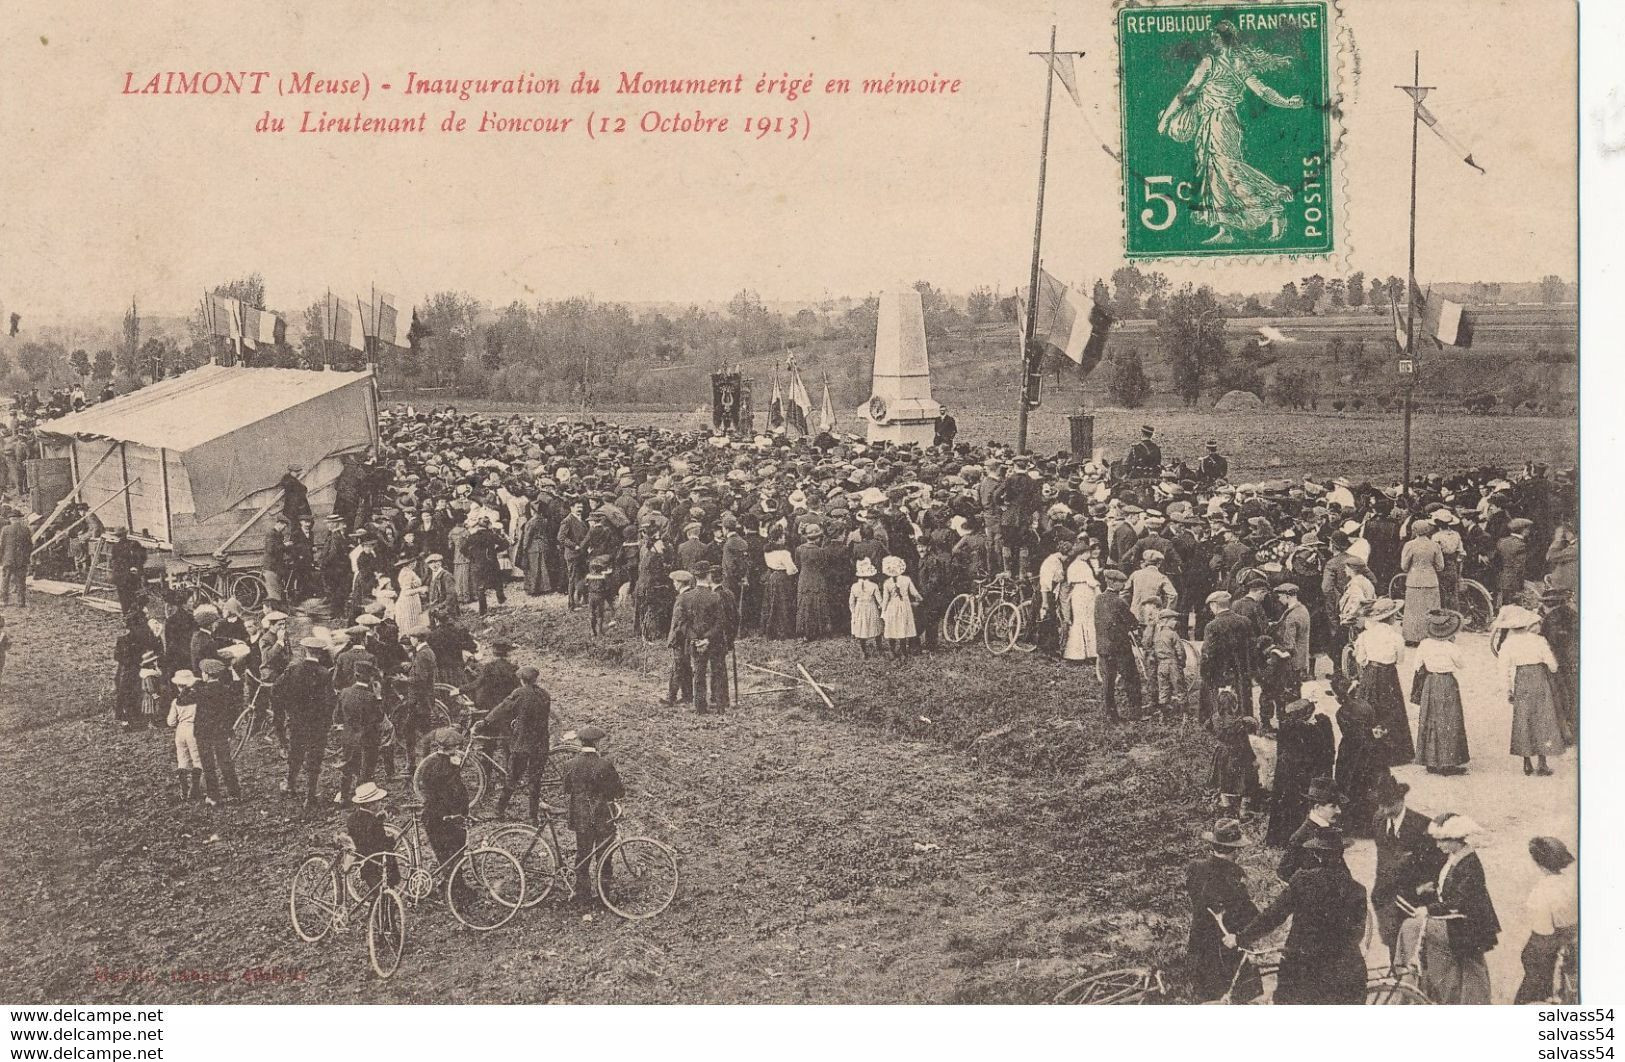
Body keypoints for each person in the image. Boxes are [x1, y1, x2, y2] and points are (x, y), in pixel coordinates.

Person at [1228, 828, 1369, 1004]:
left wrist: (1241, 938)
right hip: (1346, 974)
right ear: (1341, 853)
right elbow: (1357, 933)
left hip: (1303, 971)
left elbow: (1273, 916)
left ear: (1317, 855)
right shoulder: (1357, 889)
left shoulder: (1302, 881)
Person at [1410, 812, 1500, 1004]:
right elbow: (1450, 887)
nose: (1438, 845)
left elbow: (1460, 901)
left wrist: (1429, 909)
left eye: (1443, 841)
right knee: (1468, 968)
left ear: (1457, 840)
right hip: (1462, 921)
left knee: (1471, 969)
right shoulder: (1457, 856)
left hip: (1470, 925)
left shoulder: (1469, 864)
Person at [1185, 819, 1262, 1002]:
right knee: (1234, 996)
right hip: (1225, 950)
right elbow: (1249, 915)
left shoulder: (1195, 867)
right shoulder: (1234, 877)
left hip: (1199, 945)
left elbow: (1195, 896)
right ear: (1235, 850)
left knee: (1205, 995)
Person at [1370, 774, 1442, 961]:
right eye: (1380, 805)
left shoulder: (1422, 825)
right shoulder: (1378, 820)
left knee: (1416, 947)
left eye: (1388, 805)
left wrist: (1423, 887)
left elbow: (1437, 863)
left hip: (1414, 898)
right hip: (1386, 896)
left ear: (1401, 801)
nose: (1383, 810)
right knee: (1393, 943)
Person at [1494, 604, 1566, 776]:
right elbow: (1553, 666)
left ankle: (1526, 762)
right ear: (1526, 624)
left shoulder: (1508, 644)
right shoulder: (1538, 640)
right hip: (1540, 679)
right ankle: (1542, 763)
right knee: (1542, 718)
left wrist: (1508, 690)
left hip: (1522, 680)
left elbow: (1503, 669)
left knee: (1523, 718)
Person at [560, 725, 626, 904]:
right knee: (604, 855)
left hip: (580, 816)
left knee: (582, 853)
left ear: (581, 742)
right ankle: (605, 895)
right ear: (597, 742)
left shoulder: (570, 764)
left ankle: (582, 894)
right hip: (602, 816)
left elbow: (566, 789)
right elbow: (619, 792)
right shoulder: (604, 764)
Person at [479, 666, 552, 824]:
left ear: (521, 680)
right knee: (535, 781)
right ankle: (533, 817)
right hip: (541, 744)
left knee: (512, 778)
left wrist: (485, 721)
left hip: (523, 744)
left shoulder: (520, 692)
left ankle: (499, 811)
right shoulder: (544, 694)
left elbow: (504, 707)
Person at [1514, 837, 1578, 1004]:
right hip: (1572, 944)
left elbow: (1544, 933)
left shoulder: (1542, 891)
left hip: (1548, 951)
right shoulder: (1572, 883)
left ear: (1538, 863)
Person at [1265, 696, 1334, 847]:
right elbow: (1321, 754)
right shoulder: (1310, 729)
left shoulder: (1289, 726)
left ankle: (1285, 839)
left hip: (1288, 773)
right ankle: (1295, 838)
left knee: (1288, 804)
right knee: (1295, 805)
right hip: (1296, 773)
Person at [277, 637, 336, 809]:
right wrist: (326, 720)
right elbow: (331, 700)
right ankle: (310, 796)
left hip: (297, 721)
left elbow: (277, 690)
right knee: (314, 757)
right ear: (320, 653)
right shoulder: (325, 673)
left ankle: (291, 785)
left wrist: (289, 708)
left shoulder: (293, 670)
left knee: (296, 753)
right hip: (317, 724)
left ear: (305, 651)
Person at [1410, 609, 1469, 775]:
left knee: (1430, 718)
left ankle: (1430, 759)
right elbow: (1461, 664)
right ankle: (1447, 761)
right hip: (1447, 681)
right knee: (1448, 720)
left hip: (1430, 681)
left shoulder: (1424, 644)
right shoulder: (1451, 647)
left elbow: (1417, 665)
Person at [673, 563, 729, 713]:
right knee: (717, 671)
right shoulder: (715, 597)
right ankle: (719, 706)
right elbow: (721, 622)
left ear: (695, 577)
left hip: (695, 642)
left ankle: (700, 707)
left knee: (698, 673)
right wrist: (707, 638)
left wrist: (695, 639)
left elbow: (682, 624)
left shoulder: (685, 598)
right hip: (713, 641)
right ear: (709, 576)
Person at [419, 727, 472, 871]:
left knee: (450, 856)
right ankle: (453, 887)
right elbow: (451, 793)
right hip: (443, 817)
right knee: (453, 856)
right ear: (453, 747)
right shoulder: (445, 766)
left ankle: (451, 883)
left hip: (441, 816)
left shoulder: (433, 763)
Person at [1093, 569, 1141, 723]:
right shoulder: (1119, 601)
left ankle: (1110, 713)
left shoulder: (1099, 599)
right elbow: (1132, 621)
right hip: (1120, 647)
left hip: (1103, 646)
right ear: (1112, 582)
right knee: (1131, 678)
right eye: (1121, 582)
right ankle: (1135, 712)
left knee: (1108, 680)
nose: (1123, 585)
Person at [1199, 590, 1253, 724]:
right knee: (1242, 704)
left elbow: (1208, 653)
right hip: (1241, 672)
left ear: (1214, 605)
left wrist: (1205, 673)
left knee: (1218, 707)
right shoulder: (1245, 621)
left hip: (1219, 674)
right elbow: (1251, 648)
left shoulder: (1211, 626)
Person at [1276, 776, 1344, 883]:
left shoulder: (1331, 831)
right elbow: (1284, 872)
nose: (1339, 811)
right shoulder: (1300, 836)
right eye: (1333, 806)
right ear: (1317, 808)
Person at [193, 658, 242, 806]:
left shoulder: (201, 691)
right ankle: (234, 793)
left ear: (206, 675)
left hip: (204, 733)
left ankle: (213, 796)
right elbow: (234, 705)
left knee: (208, 764)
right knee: (225, 762)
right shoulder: (226, 690)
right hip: (221, 732)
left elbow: (184, 699)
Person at [335, 661, 383, 804]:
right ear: (370, 678)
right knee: (366, 769)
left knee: (348, 766)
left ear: (355, 675)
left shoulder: (345, 692)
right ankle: (363, 798)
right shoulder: (370, 697)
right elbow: (379, 717)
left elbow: (337, 716)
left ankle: (344, 797)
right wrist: (379, 696)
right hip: (367, 738)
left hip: (349, 737)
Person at [345, 783, 399, 891]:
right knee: (383, 891)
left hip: (363, 861)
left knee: (376, 892)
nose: (380, 804)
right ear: (371, 805)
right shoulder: (374, 822)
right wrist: (390, 838)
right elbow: (380, 843)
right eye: (378, 802)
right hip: (377, 863)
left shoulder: (352, 818)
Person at [1398, 519, 1442, 644]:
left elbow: (1404, 566)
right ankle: (1432, 635)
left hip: (1414, 579)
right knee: (1431, 609)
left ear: (1414, 531)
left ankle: (1412, 637)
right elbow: (1440, 566)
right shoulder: (1435, 545)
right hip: (1431, 579)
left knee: (1413, 610)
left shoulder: (1409, 545)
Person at [1061, 540, 1100, 664]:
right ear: (1081, 553)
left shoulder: (1073, 565)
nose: (1089, 554)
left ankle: (1077, 653)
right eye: (1087, 552)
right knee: (1088, 621)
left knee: (1079, 621)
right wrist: (1098, 589)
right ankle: (1089, 653)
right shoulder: (1082, 565)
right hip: (1085, 593)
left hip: (1077, 593)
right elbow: (1091, 581)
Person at [166, 670, 202, 801]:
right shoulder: (197, 700)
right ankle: (195, 789)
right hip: (193, 730)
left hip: (180, 731)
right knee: (197, 759)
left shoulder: (176, 702)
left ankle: (184, 790)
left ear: (178, 685)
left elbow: (170, 722)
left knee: (182, 760)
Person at [879, 555, 922, 660]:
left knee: (892, 627)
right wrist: (920, 599)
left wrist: (883, 609)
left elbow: (885, 599)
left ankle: (892, 651)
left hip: (892, 606)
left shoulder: (887, 583)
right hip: (904, 606)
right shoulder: (906, 579)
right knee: (902, 627)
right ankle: (903, 652)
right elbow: (914, 593)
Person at [1149, 608, 1188, 720]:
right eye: (1173, 619)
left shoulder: (1158, 635)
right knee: (1180, 687)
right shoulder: (1173, 634)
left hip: (1161, 665)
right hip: (1173, 664)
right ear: (1166, 620)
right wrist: (1182, 662)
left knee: (1163, 688)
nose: (1175, 622)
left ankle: (1163, 715)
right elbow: (1180, 651)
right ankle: (1185, 714)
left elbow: (1154, 652)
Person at [848, 557, 883, 658]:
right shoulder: (874, 586)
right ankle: (879, 648)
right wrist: (882, 608)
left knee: (861, 629)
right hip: (871, 608)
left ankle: (863, 650)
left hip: (860, 608)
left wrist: (853, 612)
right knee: (876, 628)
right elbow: (879, 600)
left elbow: (851, 602)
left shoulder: (854, 586)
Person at [108, 527, 148, 616]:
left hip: (122, 575)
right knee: (132, 594)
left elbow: (113, 562)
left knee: (124, 596)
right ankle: (132, 613)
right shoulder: (134, 544)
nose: (119, 537)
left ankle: (127, 613)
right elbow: (142, 558)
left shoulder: (117, 546)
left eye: (119, 535)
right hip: (129, 574)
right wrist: (138, 568)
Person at [0, 508, 30, 607]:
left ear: (11, 519)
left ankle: (4, 601)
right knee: (21, 580)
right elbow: (29, 545)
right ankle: (21, 602)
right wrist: (26, 558)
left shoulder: (5, 529)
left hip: (8, 559)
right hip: (21, 559)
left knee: (5, 580)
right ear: (19, 519)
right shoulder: (25, 529)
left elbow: (2, 545)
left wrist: (1, 558)